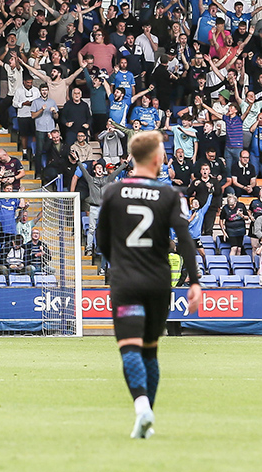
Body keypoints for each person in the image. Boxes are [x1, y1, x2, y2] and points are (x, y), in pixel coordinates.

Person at [93, 130, 202, 440]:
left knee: (129, 347)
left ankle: (142, 409)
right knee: (151, 351)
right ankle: (147, 419)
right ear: (157, 159)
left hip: (126, 281)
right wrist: (194, 281)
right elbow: (185, 240)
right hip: (158, 283)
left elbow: (101, 241)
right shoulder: (169, 195)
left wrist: (122, 260)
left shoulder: (113, 192)